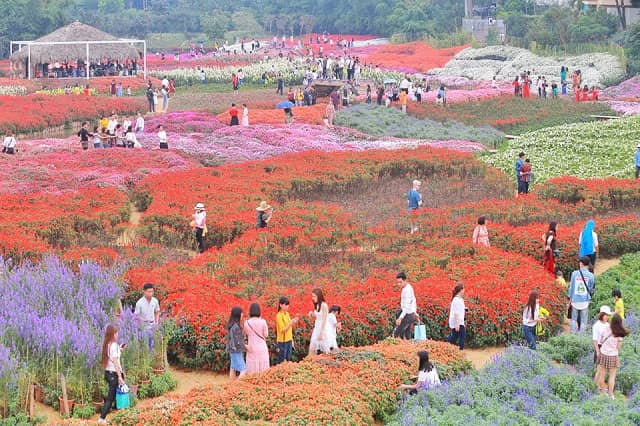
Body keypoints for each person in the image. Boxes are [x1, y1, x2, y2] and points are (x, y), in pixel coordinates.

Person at [596, 312, 628, 398]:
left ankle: (602, 392)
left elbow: (602, 339)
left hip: (603, 354)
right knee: (612, 376)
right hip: (613, 356)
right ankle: (611, 394)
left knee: (602, 374)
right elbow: (618, 347)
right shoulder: (620, 333)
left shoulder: (606, 327)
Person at [98, 325, 125, 424]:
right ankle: (102, 418)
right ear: (113, 334)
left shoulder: (108, 344)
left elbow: (112, 355)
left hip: (108, 373)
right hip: (113, 374)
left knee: (114, 396)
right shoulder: (113, 345)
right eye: (116, 333)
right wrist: (119, 376)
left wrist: (120, 349)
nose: (117, 335)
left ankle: (118, 413)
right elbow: (115, 362)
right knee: (110, 398)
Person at [569, 256, 596, 333]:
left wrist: (570, 298)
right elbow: (591, 288)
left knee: (574, 319)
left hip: (575, 300)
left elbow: (571, 287)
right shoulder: (591, 275)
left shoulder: (574, 274)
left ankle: (572, 334)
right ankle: (581, 336)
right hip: (585, 301)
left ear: (581, 264)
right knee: (584, 320)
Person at [244, 303, 270, 374]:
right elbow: (266, 335)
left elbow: (246, 334)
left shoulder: (247, 323)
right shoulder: (263, 322)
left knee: (252, 368)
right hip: (262, 347)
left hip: (251, 347)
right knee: (263, 370)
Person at [135, 283, 160, 352]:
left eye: (152, 291)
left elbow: (157, 311)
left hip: (152, 326)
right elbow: (136, 316)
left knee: (152, 346)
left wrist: (156, 323)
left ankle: (151, 360)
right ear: (144, 292)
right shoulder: (139, 303)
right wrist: (144, 320)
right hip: (143, 327)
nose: (151, 293)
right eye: (149, 292)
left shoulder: (155, 301)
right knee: (144, 346)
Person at [394, 272, 417, 340]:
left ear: (405, 280)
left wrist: (400, 318)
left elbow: (406, 306)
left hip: (407, 315)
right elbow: (414, 300)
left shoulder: (407, 290)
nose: (398, 284)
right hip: (410, 314)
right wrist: (415, 312)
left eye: (400, 282)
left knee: (397, 335)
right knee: (407, 335)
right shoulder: (408, 287)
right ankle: (408, 349)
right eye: (397, 282)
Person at [275, 297, 298, 364]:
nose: (287, 306)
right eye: (285, 305)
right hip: (282, 342)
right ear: (280, 305)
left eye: (288, 305)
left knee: (288, 360)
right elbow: (283, 330)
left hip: (288, 340)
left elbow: (289, 329)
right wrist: (291, 323)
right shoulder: (278, 316)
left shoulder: (287, 314)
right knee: (282, 361)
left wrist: (292, 340)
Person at [226, 306, 247, 379]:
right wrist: (246, 346)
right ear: (238, 315)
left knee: (233, 368)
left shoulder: (231, 325)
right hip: (236, 350)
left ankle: (231, 386)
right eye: (241, 313)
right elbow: (238, 341)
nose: (242, 315)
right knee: (243, 369)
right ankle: (236, 387)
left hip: (231, 350)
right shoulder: (236, 327)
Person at [308, 288, 329, 355]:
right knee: (313, 347)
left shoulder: (324, 305)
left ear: (319, 296)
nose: (312, 298)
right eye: (312, 296)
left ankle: (328, 363)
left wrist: (321, 332)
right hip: (317, 327)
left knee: (325, 349)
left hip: (323, 328)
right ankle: (310, 363)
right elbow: (318, 316)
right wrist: (312, 313)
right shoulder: (317, 305)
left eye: (314, 296)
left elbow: (324, 319)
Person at [447, 283, 466, 350]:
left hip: (459, 321)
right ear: (460, 290)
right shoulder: (456, 300)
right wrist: (457, 324)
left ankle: (446, 345)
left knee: (455, 336)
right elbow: (456, 313)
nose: (464, 290)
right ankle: (460, 349)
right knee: (462, 336)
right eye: (463, 289)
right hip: (457, 321)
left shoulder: (460, 299)